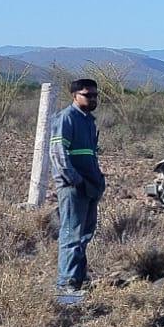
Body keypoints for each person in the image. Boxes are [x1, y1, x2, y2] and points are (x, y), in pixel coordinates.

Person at [49, 78, 105, 293]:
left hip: (91, 186)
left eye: (94, 95)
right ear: (75, 95)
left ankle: (78, 281)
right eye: (87, 95)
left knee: (84, 235)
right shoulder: (66, 118)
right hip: (74, 188)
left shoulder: (89, 121)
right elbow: (58, 154)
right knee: (71, 235)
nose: (92, 98)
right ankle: (66, 287)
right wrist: (75, 181)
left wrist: (98, 181)